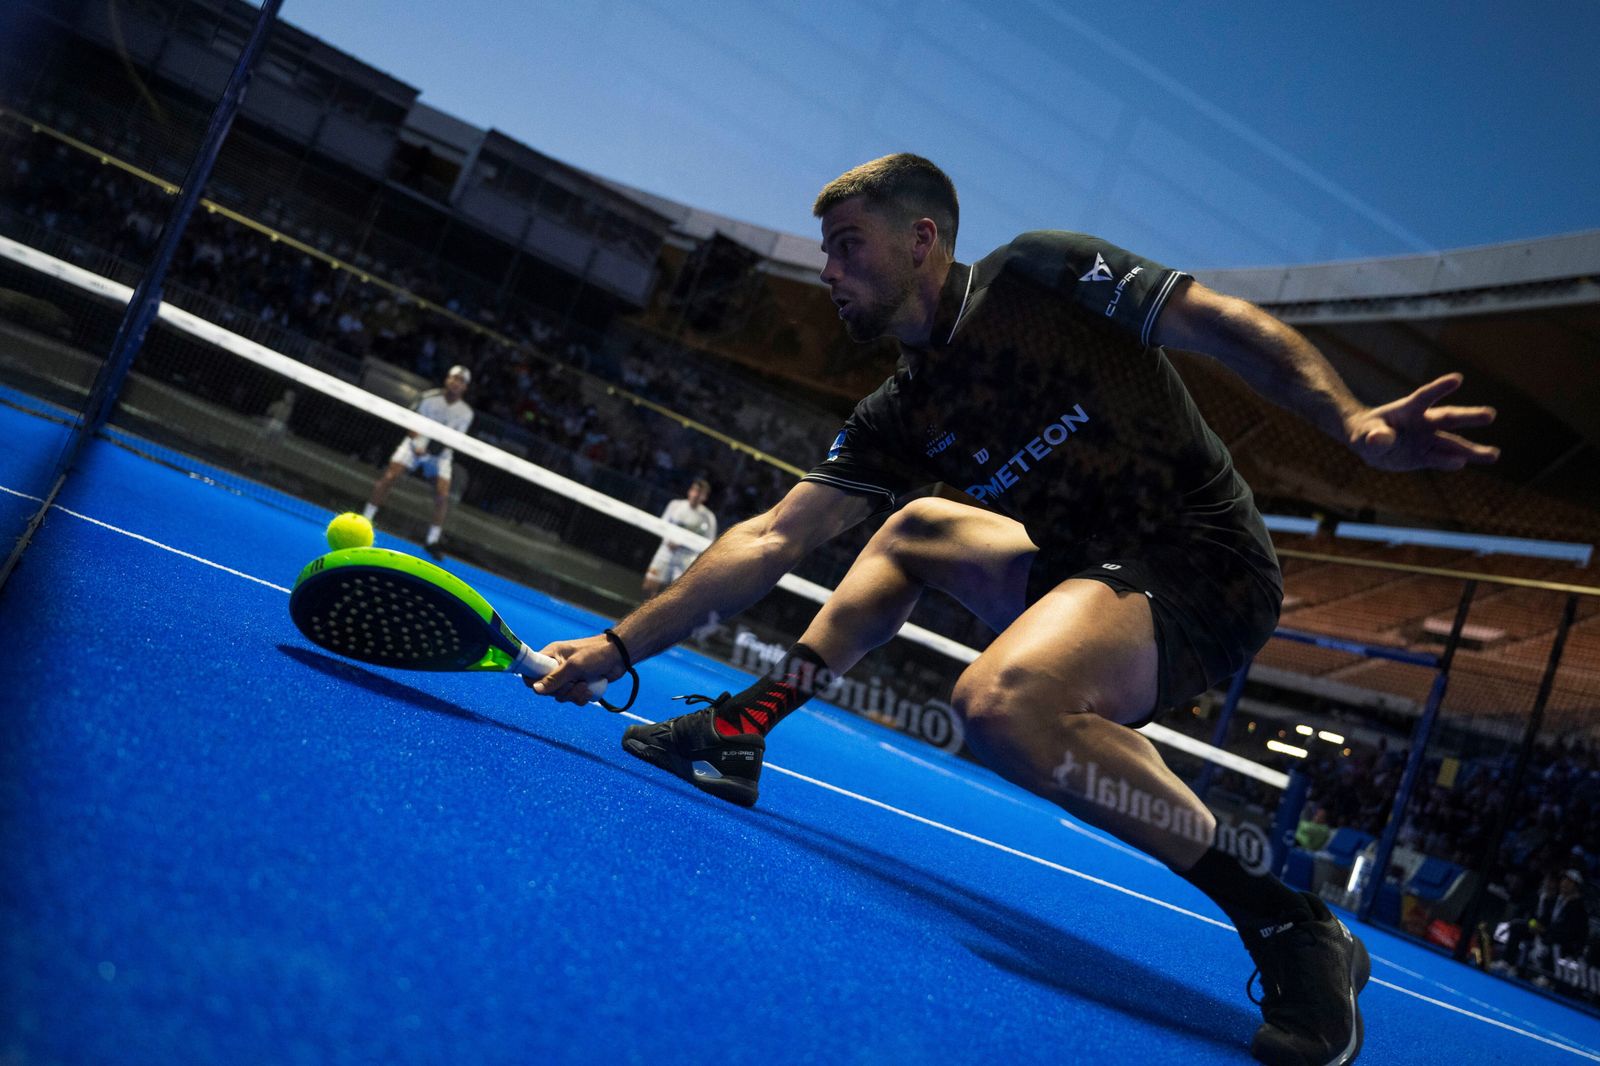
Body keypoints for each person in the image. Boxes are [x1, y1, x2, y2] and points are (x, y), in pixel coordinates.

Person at [529, 154, 1500, 1065]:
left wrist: (1351, 420)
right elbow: (771, 539)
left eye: (848, 245)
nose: (829, 270)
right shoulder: (899, 413)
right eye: (825, 251)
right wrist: (618, 646)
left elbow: (1222, 324)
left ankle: (1288, 919)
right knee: (910, 530)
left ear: (922, 240)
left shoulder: (1040, 277)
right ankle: (746, 723)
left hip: (1202, 561)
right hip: (1080, 566)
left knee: (999, 705)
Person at [363, 364, 474, 558]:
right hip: (414, 446)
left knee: (442, 496)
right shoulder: (429, 397)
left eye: (462, 381)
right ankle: (366, 520)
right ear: (447, 379)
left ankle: (432, 541)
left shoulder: (466, 413)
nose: (457, 383)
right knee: (389, 477)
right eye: (454, 378)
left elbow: (455, 440)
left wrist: (434, 451)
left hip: (440, 456)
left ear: (465, 387)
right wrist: (419, 445)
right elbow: (410, 420)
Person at [642, 479, 718, 599]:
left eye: (700, 493)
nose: (696, 494)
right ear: (690, 491)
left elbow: (709, 543)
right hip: (666, 552)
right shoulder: (675, 505)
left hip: (686, 559)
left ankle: (665, 617)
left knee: (675, 597)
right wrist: (669, 540)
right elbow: (661, 526)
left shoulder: (709, 517)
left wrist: (685, 545)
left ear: (704, 497)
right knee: (648, 586)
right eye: (694, 490)